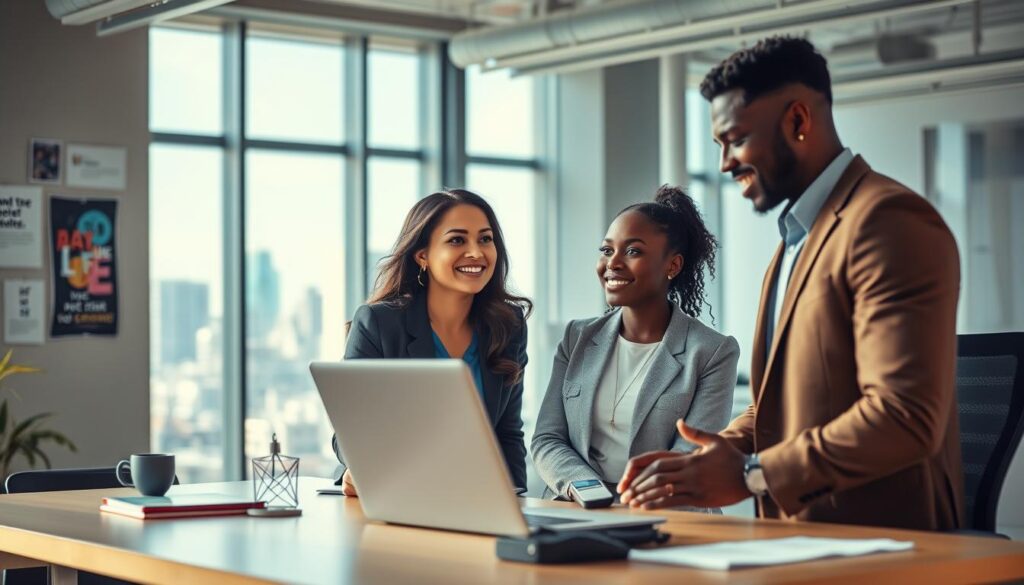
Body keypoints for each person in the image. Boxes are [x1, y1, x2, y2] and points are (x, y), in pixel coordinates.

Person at [618, 36, 963, 531]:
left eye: (735, 139)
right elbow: (780, 399)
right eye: (718, 145)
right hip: (802, 539)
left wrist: (753, 475)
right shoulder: (794, 242)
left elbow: (902, 415)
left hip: (883, 545)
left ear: (799, 122)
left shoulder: (888, 221)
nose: (725, 163)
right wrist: (716, 455)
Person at [532, 186, 739, 502]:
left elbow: (690, 455)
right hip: (576, 512)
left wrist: (627, 500)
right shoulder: (577, 338)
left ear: (673, 266)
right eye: (606, 251)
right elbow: (547, 439)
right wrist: (592, 494)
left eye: (633, 251)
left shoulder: (712, 352)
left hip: (665, 516)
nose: (612, 263)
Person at [331, 189, 531, 494]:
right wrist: (362, 469)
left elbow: (508, 434)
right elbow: (349, 433)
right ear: (422, 255)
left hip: (476, 499)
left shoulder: (508, 325)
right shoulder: (379, 323)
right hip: (396, 493)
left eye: (485, 239)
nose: (476, 253)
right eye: (457, 240)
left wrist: (517, 504)